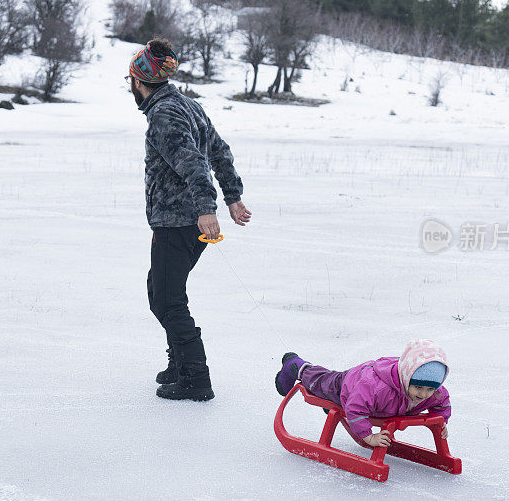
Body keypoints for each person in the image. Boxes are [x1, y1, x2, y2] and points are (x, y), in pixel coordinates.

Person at [128, 39, 252, 401]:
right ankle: (179, 363)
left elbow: (195, 163)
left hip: (179, 222)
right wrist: (233, 196)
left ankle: (196, 378)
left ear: (138, 82)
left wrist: (207, 208)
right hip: (185, 221)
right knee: (160, 291)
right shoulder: (188, 105)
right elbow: (219, 151)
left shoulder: (165, 114)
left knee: (167, 300)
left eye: (129, 80)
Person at [274, 339, 451, 447]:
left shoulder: (434, 393)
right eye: (418, 387)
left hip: (367, 393)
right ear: (406, 378)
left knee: (346, 396)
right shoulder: (376, 389)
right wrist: (368, 437)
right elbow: (355, 407)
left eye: (430, 389)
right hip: (350, 385)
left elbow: (443, 403)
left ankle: (334, 404)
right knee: (320, 382)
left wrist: (439, 422)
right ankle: (295, 365)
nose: (423, 394)